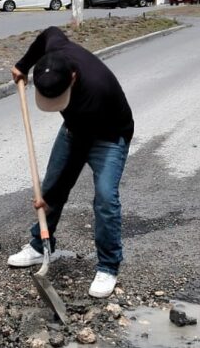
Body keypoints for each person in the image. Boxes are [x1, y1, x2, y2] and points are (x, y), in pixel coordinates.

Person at [7, 26, 134, 299]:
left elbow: (76, 156)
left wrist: (50, 196)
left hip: (109, 136)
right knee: (51, 185)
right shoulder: (56, 50)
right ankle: (40, 245)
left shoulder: (96, 90)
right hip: (76, 129)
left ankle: (108, 266)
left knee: (105, 198)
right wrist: (23, 65)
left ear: (73, 77)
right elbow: (49, 32)